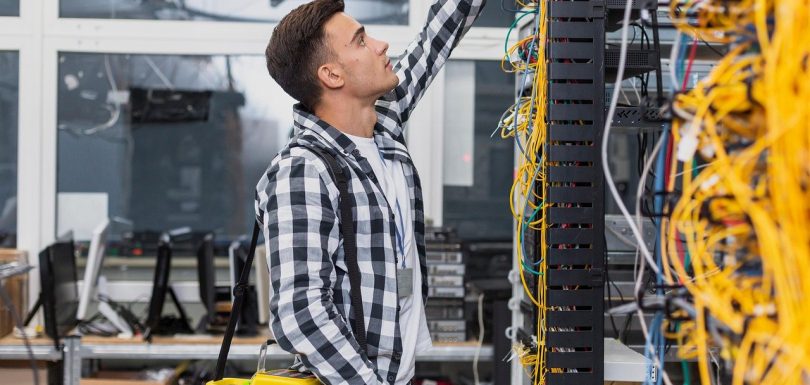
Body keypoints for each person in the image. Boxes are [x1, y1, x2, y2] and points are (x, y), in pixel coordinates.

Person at [255, 0, 486, 383]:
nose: (381, 45)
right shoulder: (304, 170)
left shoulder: (381, 129)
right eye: (360, 41)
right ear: (331, 75)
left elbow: (436, 38)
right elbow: (302, 312)